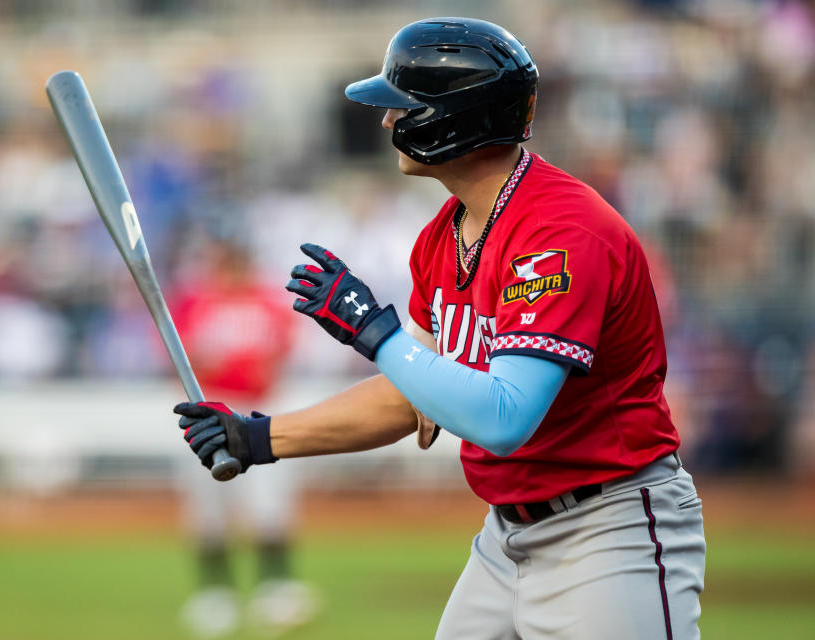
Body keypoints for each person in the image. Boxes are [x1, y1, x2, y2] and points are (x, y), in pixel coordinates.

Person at [175, 18, 706, 640]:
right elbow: (413, 393)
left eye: (402, 107)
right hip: (507, 534)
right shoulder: (441, 239)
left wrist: (375, 332)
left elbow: (504, 419)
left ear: (454, 119)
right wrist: (258, 437)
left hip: (607, 530)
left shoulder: (559, 233)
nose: (386, 121)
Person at [169, 235, 317, 637]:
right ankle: (216, 595)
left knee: (270, 507)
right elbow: (180, 361)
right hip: (206, 415)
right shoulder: (195, 303)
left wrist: (228, 365)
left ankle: (277, 589)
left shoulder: (266, 304)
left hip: (258, 409)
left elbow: (269, 365)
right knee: (208, 510)